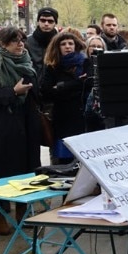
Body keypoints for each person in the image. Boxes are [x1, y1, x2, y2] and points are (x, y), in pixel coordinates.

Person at [0, 27, 42, 235]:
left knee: (26, 170)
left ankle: (24, 212)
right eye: (14, 41)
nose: (20, 44)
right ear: (2, 44)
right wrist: (13, 92)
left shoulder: (27, 62)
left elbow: (37, 91)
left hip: (25, 125)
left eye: (21, 40)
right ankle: (1, 215)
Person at [39, 32, 89, 162]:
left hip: (82, 118)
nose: (67, 46)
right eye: (63, 44)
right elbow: (47, 92)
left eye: (70, 43)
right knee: (63, 160)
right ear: (57, 47)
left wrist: (60, 86)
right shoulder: (52, 66)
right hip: (62, 119)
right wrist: (75, 84)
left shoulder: (84, 63)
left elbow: (87, 87)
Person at [26, 6, 58, 77]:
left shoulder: (61, 42)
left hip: (56, 85)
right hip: (32, 84)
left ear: (55, 23)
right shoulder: (27, 42)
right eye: (43, 20)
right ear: (38, 21)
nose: (46, 24)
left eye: (50, 21)